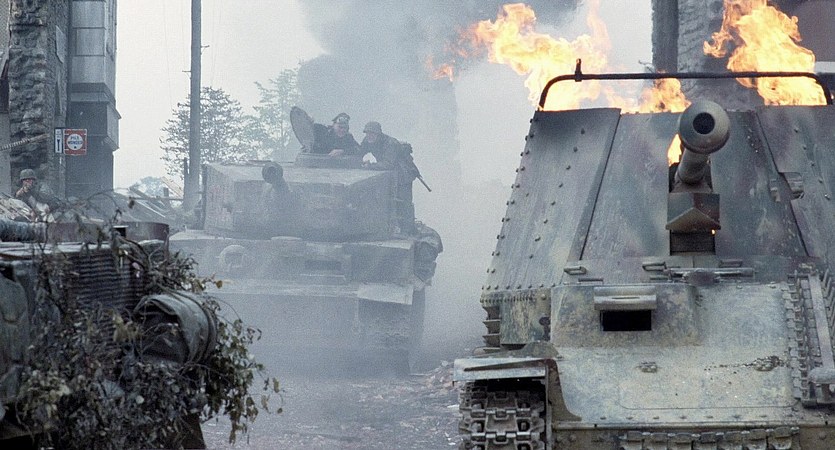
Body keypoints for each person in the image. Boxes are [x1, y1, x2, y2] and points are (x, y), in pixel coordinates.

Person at [360, 121, 420, 234]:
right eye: (367, 133)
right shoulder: (367, 141)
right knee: (388, 201)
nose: (369, 136)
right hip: (389, 175)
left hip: (403, 173)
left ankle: (407, 230)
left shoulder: (391, 143)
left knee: (404, 203)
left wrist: (370, 166)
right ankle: (392, 227)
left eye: (372, 133)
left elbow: (388, 164)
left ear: (378, 134)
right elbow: (359, 153)